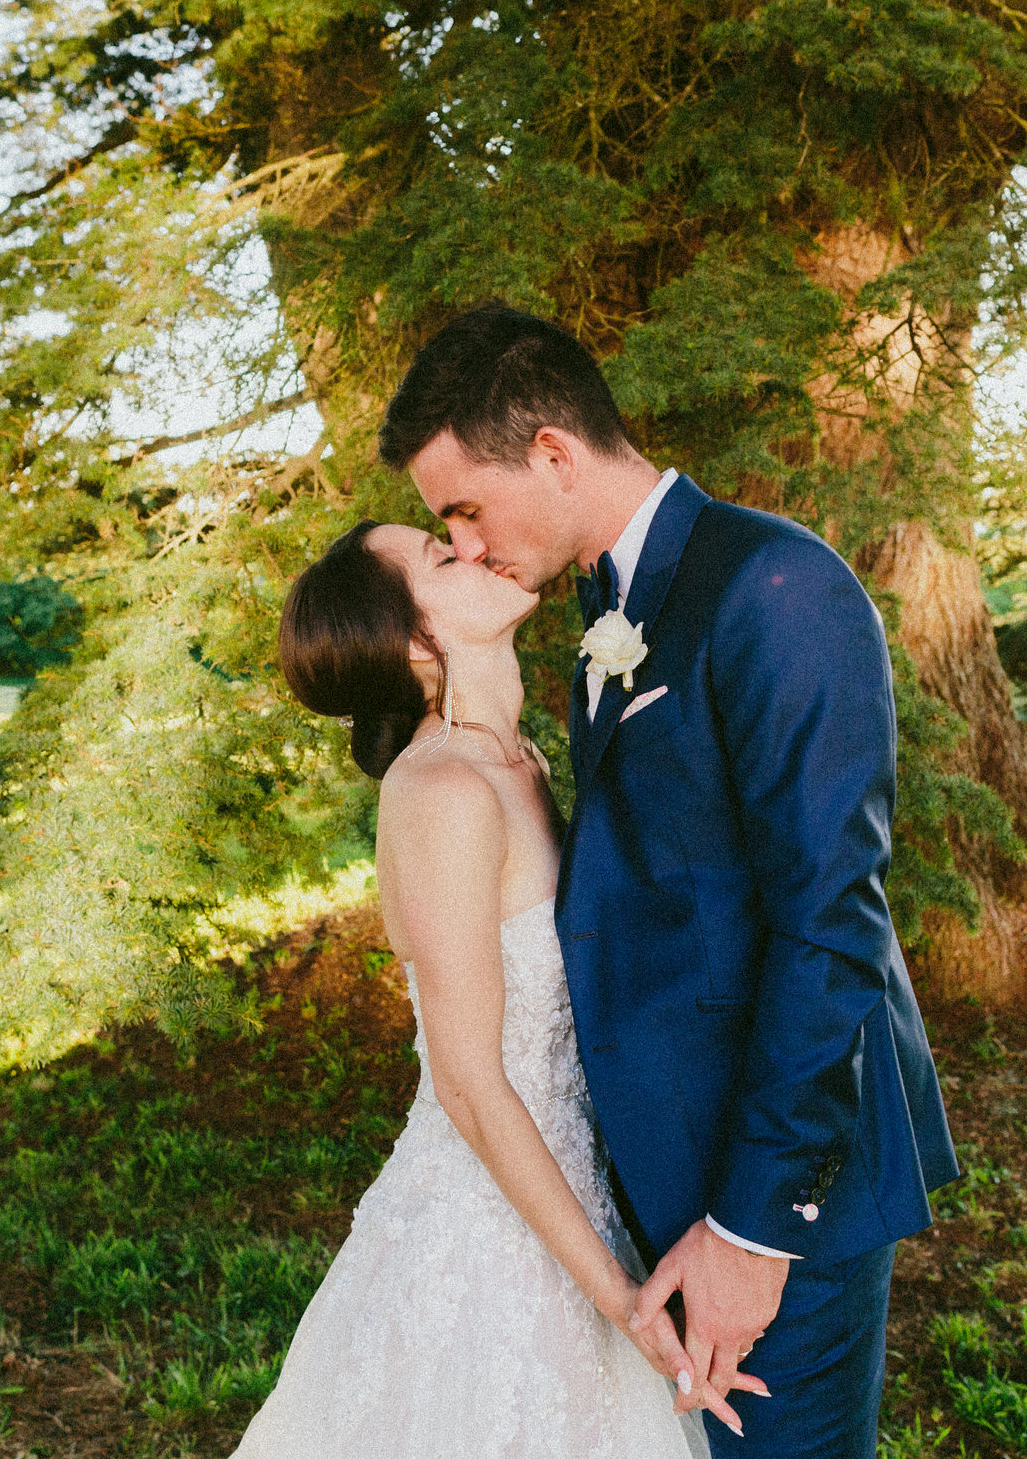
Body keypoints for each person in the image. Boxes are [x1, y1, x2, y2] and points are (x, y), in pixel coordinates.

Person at [378, 302, 958, 1458]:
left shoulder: (777, 588)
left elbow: (830, 923)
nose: (470, 545)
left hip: (780, 1188)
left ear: (551, 451)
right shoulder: (612, 604)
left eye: (465, 509)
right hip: (670, 1173)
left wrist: (755, 1228)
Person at [239, 513, 729, 1457]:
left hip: (582, 1194)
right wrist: (620, 1301)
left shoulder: (523, 762)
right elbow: (468, 1079)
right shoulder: (442, 791)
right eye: (438, 553)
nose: (471, 544)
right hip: (486, 1240)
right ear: (419, 642)